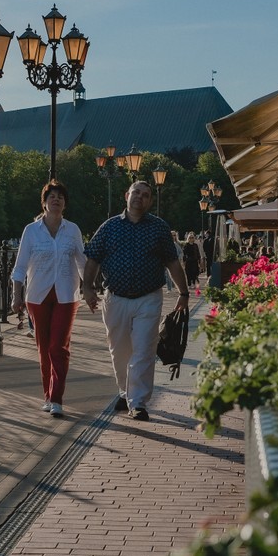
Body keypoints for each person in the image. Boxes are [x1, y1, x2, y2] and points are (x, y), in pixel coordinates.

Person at [83, 180, 189, 422]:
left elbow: (172, 262)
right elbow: (92, 258)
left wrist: (183, 293)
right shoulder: (109, 227)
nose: (140, 197)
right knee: (119, 351)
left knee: (144, 350)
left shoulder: (159, 228)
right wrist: (87, 288)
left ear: (150, 201)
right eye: (136, 192)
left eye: (145, 195)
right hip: (115, 298)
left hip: (148, 297)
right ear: (126, 195)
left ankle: (138, 402)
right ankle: (125, 391)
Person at [10, 180, 85, 417]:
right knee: (44, 348)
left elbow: (82, 263)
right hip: (37, 296)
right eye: (52, 196)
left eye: (60, 197)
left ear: (65, 204)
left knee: (58, 346)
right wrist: (16, 296)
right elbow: (20, 267)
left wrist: (92, 288)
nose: (56, 200)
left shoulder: (72, 230)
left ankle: (57, 399)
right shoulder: (31, 231)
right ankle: (47, 395)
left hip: (66, 295)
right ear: (44, 203)